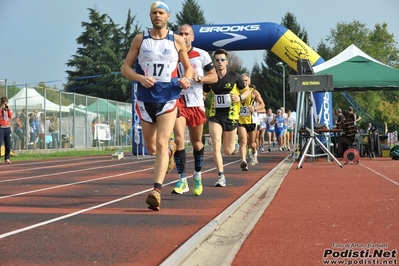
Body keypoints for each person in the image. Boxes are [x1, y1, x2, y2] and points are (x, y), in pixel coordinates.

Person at [121, 1, 193, 211]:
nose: (157, 16)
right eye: (154, 13)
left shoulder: (177, 41)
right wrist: (139, 78)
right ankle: (171, 148)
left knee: (161, 143)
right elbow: (125, 68)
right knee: (152, 148)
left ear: (168, 16)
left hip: (168, 97)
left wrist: (186, 80)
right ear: (150, 16)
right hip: (145, 98)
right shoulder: (140, 39)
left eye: (161, 13)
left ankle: (156, 191)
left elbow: (187, 68)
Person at [171, 24, 218, 196]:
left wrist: (199, 78)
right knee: (178, 139)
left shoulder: (202, 54)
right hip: (178, 100)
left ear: (192, 37)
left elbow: (214, 77)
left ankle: (197, 176)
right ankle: (182, 179)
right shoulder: (171, 53)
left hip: (196, 103)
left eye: (186, 34)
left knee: (197, 142)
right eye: (180, 33)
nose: (183, 36)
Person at [203, 48, 250, 186]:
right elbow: (204, 93)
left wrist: (239, 97)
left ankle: (233, 142)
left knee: (228, 151)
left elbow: (246, 91)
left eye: (222, 60)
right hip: (215, 115)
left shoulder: (235, 76)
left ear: (227, 62)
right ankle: (221, 176)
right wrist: (204, 99)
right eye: (217, 60)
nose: (220, 62)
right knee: (216, 145)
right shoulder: (210, 78)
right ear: (214, 62)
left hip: (231, 115)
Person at [238, 75, 265, 170]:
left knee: (252, 143)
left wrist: (254, 108)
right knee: (243, 141)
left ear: (249, 81)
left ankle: (254, 153)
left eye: (246, 80)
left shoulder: (254, 92)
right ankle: (243, 161)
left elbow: (262, 104)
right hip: (241, 120)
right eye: (242, 80)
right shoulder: (237, 91)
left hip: (252, 121)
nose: (244, 82)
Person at [0, 96, 13, 164]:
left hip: (7, 128)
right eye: (4, 104)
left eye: (6, 104)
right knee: (0, 143)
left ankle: (7, 158)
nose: (5, 105)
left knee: (8, 144)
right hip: (1, 128)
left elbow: (10, 116)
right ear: (1, 103)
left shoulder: (7, 110)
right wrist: (1, 109)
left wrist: (8, 109)